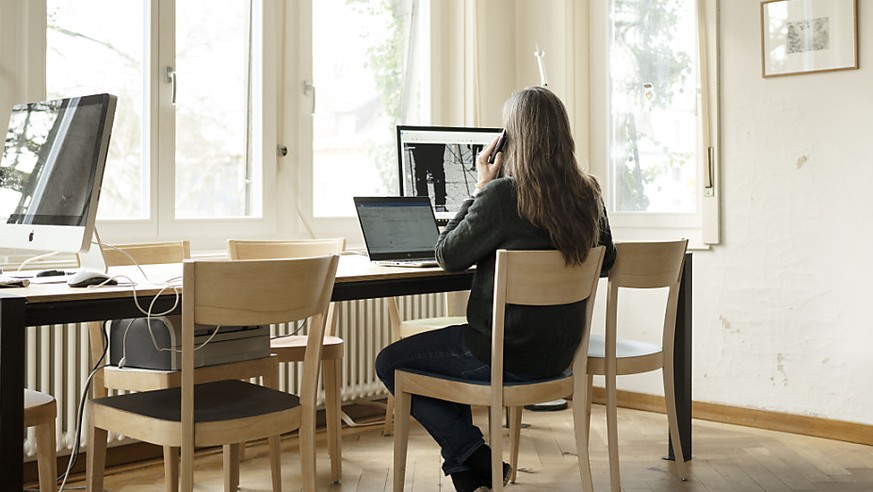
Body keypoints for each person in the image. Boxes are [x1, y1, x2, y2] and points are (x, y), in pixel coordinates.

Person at [375, 86, 616, 492]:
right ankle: (470, 476)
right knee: (436, 364)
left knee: (390, 363)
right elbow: (606, 260)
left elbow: (447, 255)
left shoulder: (503, 196)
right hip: (558, 357)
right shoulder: (587, 193)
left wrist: (480, 189)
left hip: (497, 355)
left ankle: (474, 454)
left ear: (510, 139)